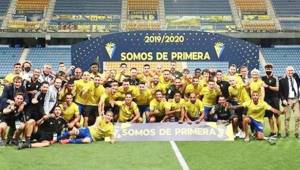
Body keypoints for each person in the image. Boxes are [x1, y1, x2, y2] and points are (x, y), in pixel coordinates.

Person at [279, 66, 300, 138]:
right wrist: (283, 99)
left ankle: (297, 133)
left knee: (298, 117)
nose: (290, 72)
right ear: (286, 71)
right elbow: (280, 92)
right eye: (289, 71)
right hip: (288, 100)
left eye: (292, 70)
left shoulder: (296, 78)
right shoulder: (282, 80)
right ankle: (286, 133)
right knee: (287, 117)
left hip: (296, 100)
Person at [261, 64, 281, 137]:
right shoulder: (262, 78)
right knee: (269, 117)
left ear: (272, 69)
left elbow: (277, 88)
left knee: (277, 116)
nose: (268, 70)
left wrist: (268, 86)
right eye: (267, 69)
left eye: (269, 69)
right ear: (265, 70)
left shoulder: (276, 78)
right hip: (266, 100)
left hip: (275, 99)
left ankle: (279, 132)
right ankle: (272, 132)